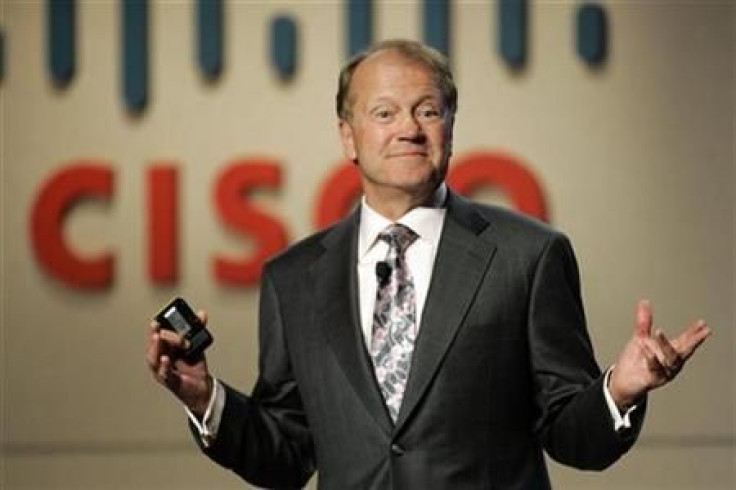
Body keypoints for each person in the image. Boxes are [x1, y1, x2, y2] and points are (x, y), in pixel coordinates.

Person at [146, 39, 710, 489]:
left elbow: (571, 434)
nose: (409, 129)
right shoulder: (293, 278)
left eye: (427, 110)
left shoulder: (527, 255)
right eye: (384, 113)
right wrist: (204, 396)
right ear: (349, 136)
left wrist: (621, 390)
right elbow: (288, 456)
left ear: (451, 126)